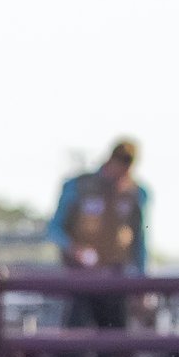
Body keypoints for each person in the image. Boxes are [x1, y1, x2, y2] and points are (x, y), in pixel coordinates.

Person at [48, 139, 147, 329]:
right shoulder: (78, 186)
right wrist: (75, 249)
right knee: (75, 338)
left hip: (116, 278)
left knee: (115, 340)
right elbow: (54, 229)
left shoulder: (135, 193)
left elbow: (140, 240)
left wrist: (140, 282)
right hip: (80, 277)